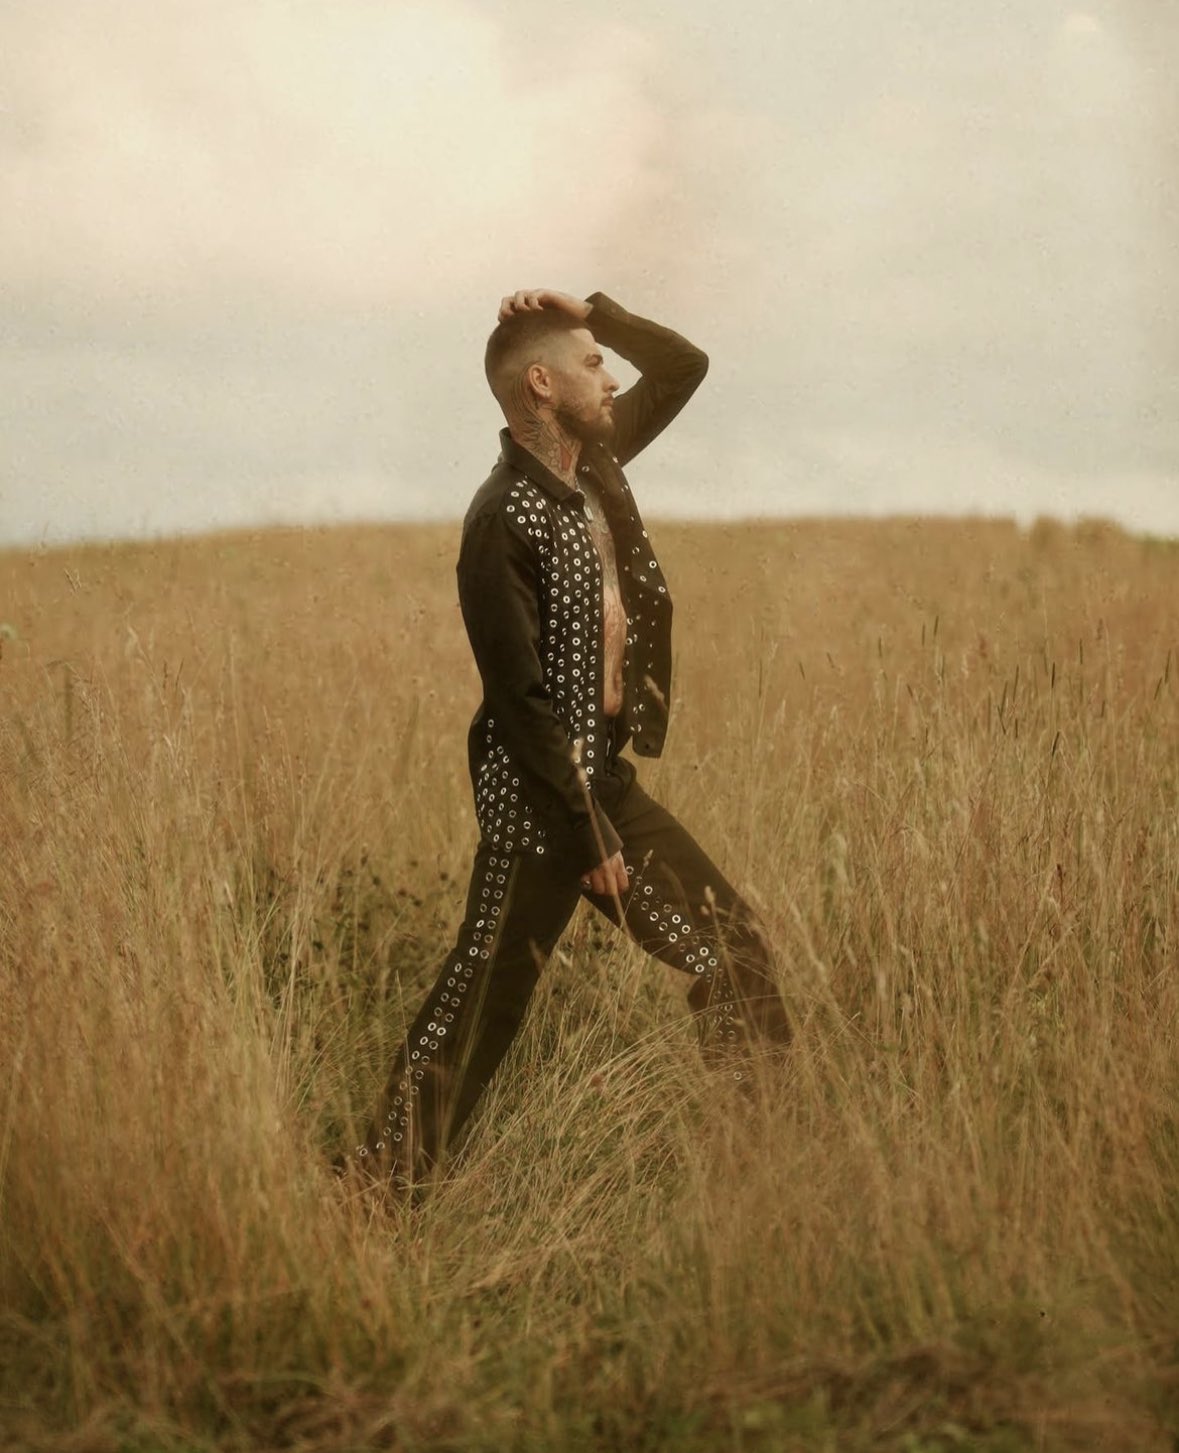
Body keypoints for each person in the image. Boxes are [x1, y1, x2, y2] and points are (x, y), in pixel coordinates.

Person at [349, 287, 791, 1189]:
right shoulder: (499, 520)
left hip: (602, 779)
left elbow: (684, 367)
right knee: (482, 999)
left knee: (734, 949)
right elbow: (520, 701)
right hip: (542, 799)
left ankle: (759, 1163)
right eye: (592, 362)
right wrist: (587, 832)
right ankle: (381, 1188)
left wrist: (593, 307)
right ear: (542, 385)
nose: (613, 375)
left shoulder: (596, 461)